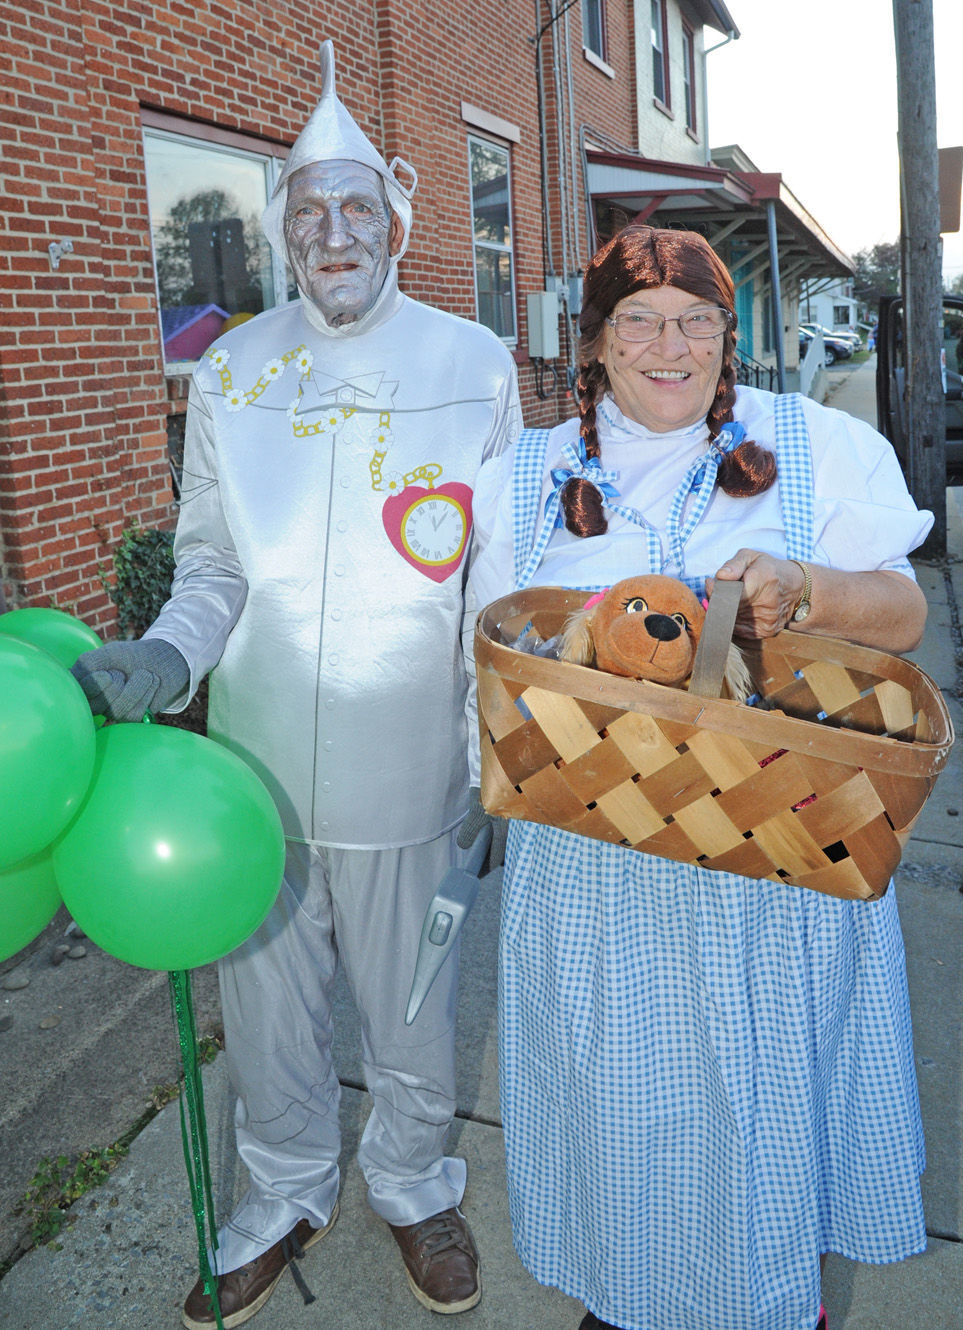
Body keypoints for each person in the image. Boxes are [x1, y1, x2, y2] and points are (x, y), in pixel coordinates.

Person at [71, 39, 520, 1328]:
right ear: (285, 230)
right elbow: (212, 562)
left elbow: (493, 584)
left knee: (416, 1006)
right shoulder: (232, 369)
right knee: (266, 1011)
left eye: (357, 209)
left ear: (396, 221)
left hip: (414, 772)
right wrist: (168, 653)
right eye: (310, 212)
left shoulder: (472, 365)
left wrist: (498, 745)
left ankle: (415, 1184)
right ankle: (280, 1190)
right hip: (254, 776)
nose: (335, 233)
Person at [466, 225, 932, 1330]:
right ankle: (629, 1301)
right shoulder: (518, 476)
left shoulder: (814, 444)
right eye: (638, 319)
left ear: (730, 338)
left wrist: (804, 586)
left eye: (697, 321)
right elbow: (484, 656)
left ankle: (773, 1301)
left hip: (772, 850)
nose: (669, 346)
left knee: (765, 1099)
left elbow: (904, 614)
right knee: (622, 1106)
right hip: (595, 860)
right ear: (593, 341)